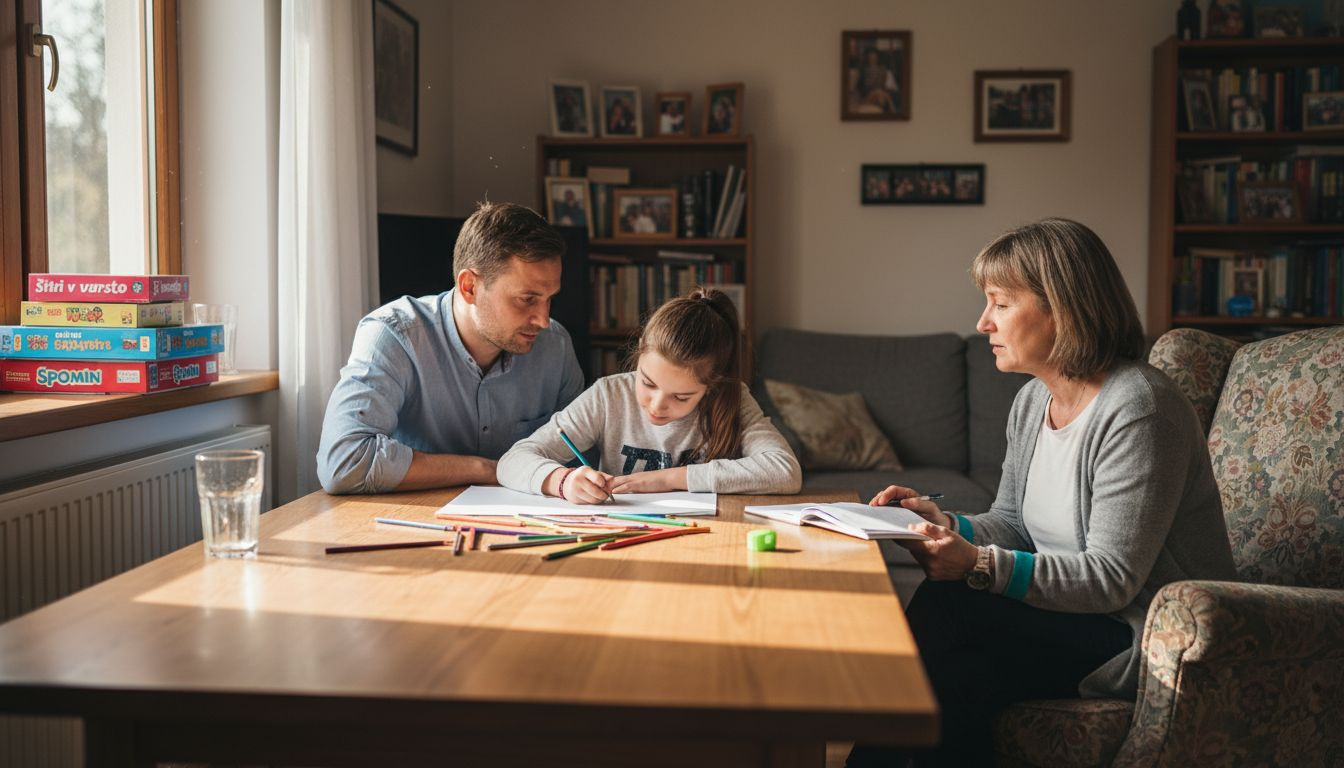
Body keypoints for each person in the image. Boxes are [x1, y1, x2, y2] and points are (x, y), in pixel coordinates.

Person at [847, 219, 1237, 767]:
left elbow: (1111, 578)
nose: (983, 322)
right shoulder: (1033, 401)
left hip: (1137, 634)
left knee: (954, 603)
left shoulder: (1139, 409)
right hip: (1066, 618)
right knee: (962, 682)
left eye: (1000, 304)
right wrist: (943, 525)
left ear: (1064, 307)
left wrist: (977, 565)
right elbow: (1012, 520)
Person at [316, 202, 585, 494]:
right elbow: (343, 463)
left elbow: (582, 458)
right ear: (469, 286)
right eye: (527, 299)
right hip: (411, 522)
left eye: (550, 299)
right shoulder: (393, 336)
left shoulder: (555, 347)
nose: (543, 320)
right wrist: (488, 470)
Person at [496, 289, 801, 503]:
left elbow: (784, 471)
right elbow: (513, 461)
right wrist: (562, 482)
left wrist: (667, 479)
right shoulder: (609, 396)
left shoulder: (733, 399)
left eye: (681, 397)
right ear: (640, 349)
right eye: (648, 382)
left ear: (712, 385)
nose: (657, 406)